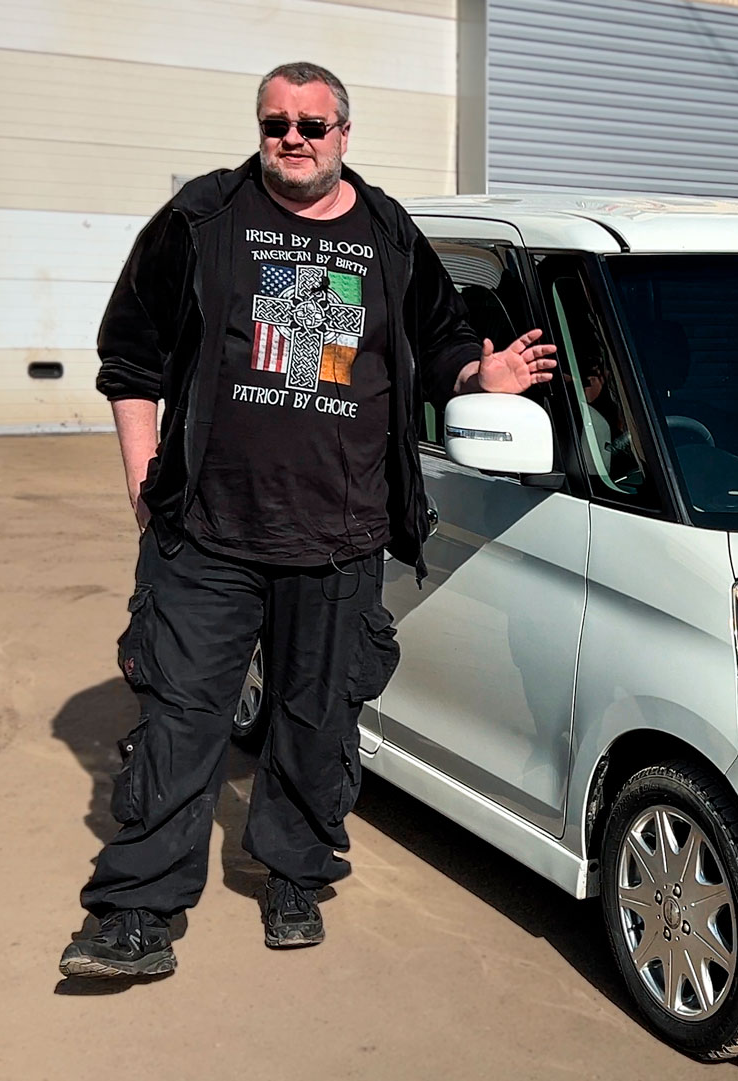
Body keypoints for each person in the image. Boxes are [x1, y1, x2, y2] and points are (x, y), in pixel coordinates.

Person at [59, 61, 556, 979]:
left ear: (343, 134)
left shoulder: (388, 233)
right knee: (179, 723)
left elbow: (442, 338)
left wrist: (478, 376)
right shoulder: (204, 218)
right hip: (206, 534)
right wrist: (143, 480)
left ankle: (291, 876)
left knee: (315, 720)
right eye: (275, 123)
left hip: (341, 537)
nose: (292, 138)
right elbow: (131, 355)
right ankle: (136, 912)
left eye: (311, 125)